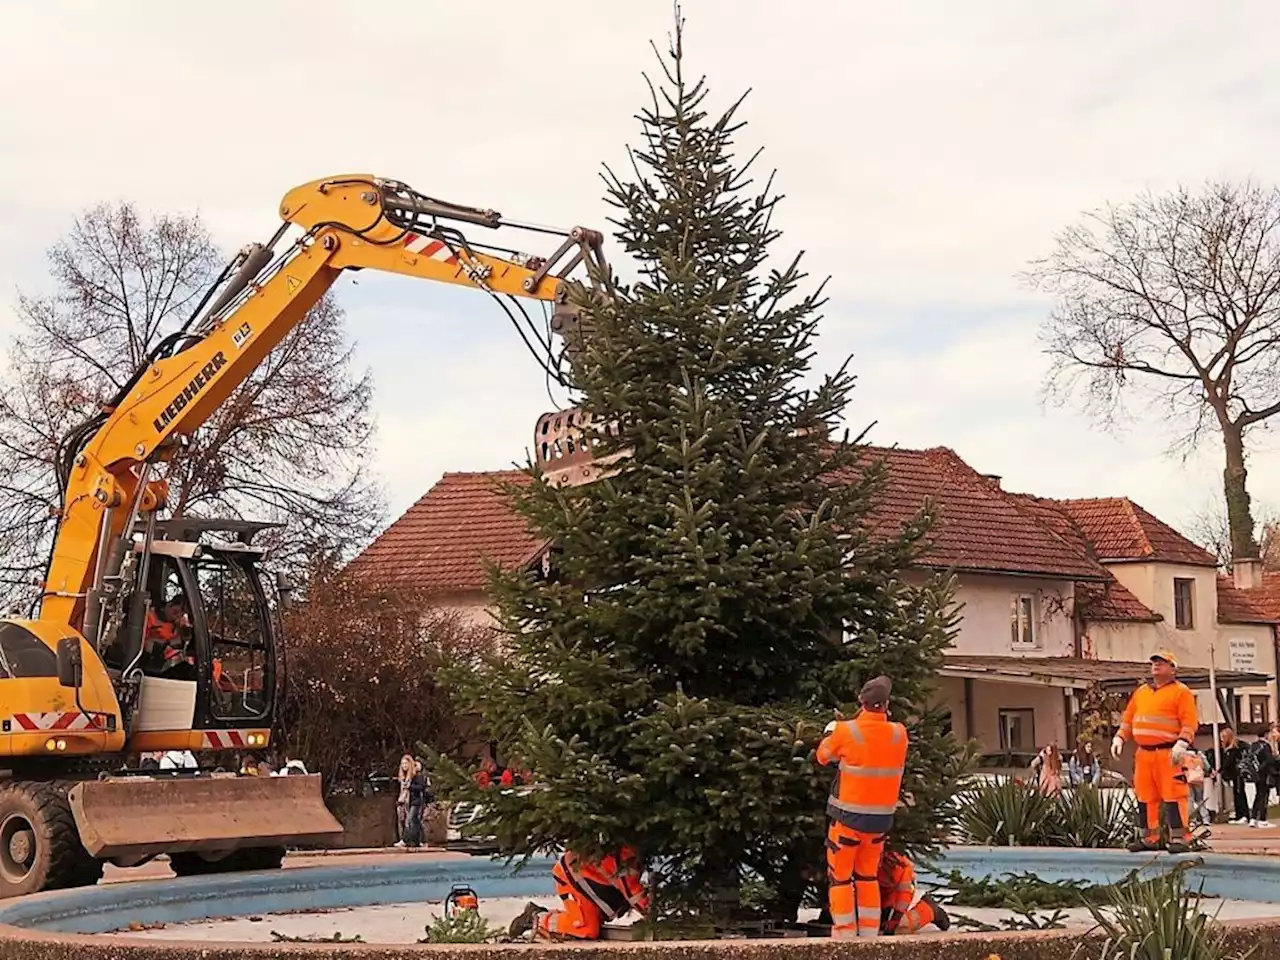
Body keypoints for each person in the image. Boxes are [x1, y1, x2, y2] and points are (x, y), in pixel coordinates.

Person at [816, 675, 908, 939]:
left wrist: (831, 732)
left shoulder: (845, 731)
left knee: (841, 878)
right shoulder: (899, 733)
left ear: (861, 701)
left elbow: (823, 756)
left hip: (847, 820)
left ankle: (845, 935)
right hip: (880, 822)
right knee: (867, 876)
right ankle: (869, 937)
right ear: (887, 703)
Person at [1111, 651, 1198, 853]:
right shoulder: (1141, 692)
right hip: (1144, 754)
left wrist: (1182, 742)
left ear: (1173, 668)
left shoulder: (1181, 692)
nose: (1156, 665)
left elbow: (1189, 721)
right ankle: (1149, 838)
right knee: (1144, 796)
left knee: (1174, 796)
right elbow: (1128, 718)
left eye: (1162, 662)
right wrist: (1120, 737)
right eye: (1154, 662)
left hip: (1169, 753)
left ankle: (1180, 838)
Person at [508, 847, 648, 941]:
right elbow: (634, 894)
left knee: (592, 924)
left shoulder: (628, 847)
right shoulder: (626, 855)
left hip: (592, 880)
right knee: (586, 929)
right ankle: (536, 917)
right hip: (573, 876)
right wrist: (655, 919)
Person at [876, 851, 949, 935]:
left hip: (897, 901)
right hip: (879, 899)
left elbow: (904, 893)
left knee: (899, 927)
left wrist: (896, 918)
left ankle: (928, 910)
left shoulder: (896, 862)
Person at [1218, 727, 1250, 824]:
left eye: (1223, 737)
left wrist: (1219, 770)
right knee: (1237, 794)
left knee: (1239, 794)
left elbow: (1228, 762)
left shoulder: (1234, 748)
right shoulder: (1231, 748)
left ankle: (1243, 815)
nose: (1221, 739)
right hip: (1235, 774)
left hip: (1238, 774)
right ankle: (1240, 814)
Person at [1245, 735, 1275, 828]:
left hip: (1255, 774)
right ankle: (1262, 819)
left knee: (1257, 795)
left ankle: (1253, 819)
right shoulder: (1266, 746)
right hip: (1264, 774)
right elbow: (1269, 760)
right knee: (1264, 796)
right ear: (1266, 734)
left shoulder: (1254, 745)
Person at [1183, 748, 1208, 827]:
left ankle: (1192, 820)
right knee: (1200, 800)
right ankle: (1205, 819)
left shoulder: (1184, 757)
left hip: (1188, 780)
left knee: (1190, 800)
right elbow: (1207, 767)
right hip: (1199, 780)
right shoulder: (1199, 757)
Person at [394, 754, 414, 847]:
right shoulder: (402, 778)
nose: (404, 765)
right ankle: (403, 839)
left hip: (410, 800)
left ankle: (408, 839)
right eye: (402, 764)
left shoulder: (412, 777)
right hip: (401, 800)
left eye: (406, 763)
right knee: (401, 820)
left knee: (408, 821)